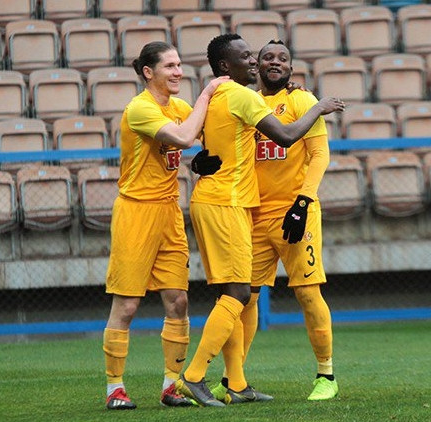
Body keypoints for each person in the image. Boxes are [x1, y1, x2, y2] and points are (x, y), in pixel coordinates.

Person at [174, 33, 345, 407]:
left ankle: (326, 375)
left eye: (282, 57)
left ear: (291, 67)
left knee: (307, 292)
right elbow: (224, 146)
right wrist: (199, 162)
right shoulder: (245, 99)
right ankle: (233, 380)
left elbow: (319, 155)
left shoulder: (301, 100)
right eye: (267, 57)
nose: (273, 62)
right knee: (245, 298)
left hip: (295, 212)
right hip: (250, 211)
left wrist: (303, 201)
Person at [102, 41, 229, 410]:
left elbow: (214, 127)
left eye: (179, 64)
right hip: (136, 213)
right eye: (170, 66)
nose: (178, 72)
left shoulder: (178, 107)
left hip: (169, 213)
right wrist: (208, 91)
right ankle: (114, 388)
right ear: (148, 72)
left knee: (178, 301)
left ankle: (171, 386)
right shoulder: (140, 108)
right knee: (127, 305)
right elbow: (186, 137)